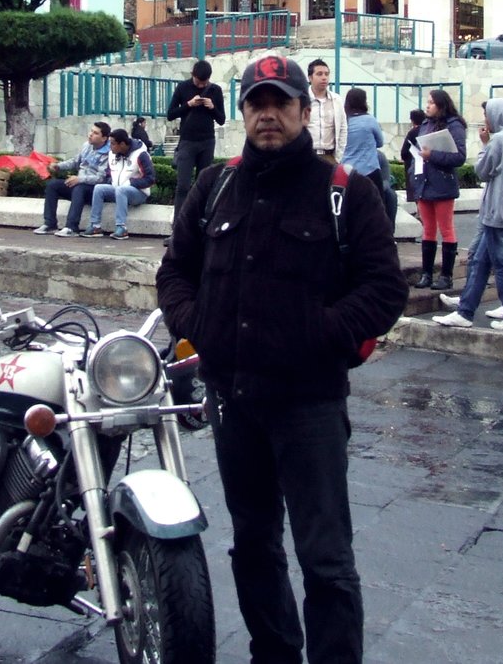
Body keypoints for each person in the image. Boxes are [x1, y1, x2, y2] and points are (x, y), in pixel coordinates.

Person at [156, 54, 408, 664]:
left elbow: (383, 289)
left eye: (281, 103)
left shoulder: (346, 193)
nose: (268, 115)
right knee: (253, 545)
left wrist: (319, 334)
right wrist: (199, 327)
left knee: (327, 559)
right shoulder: (215, 187)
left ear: (303, 109)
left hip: (309, 405)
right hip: (233, 401)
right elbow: (175, 273)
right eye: (257, 103)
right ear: (242, 112)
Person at [433, 98, 503, 332]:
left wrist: (484, 145)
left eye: (487, 115)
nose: (485, 120)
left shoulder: (498, 141)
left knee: (502, 262)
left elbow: (482, 171)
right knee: (484, 260)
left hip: (496, 211)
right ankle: (466, 311)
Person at [412, 89, 467, 290]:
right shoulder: (425, 124)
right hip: (424, 182)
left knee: (446, 228)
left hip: (442, 183)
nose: (427, 106)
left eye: (432, 103)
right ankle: (426, 274)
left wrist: (432, 155)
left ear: (441, 105)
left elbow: (459, 156)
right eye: (427, 102)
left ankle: (446, 276)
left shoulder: (454, 125)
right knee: (428, 229)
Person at [166, 60, 226, 218]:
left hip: (207, 141)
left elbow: (221, 119)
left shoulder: (215, 90)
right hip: (187, 141)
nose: (201, 85)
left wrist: (212, 107)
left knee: (203, 185)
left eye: (204, 82)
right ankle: (178, 224)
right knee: (183, 186)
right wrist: (189, 104)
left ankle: (200, 221)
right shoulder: (183, 87)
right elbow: (170, 114)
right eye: (198, 82)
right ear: (193, 75)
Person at [33, 122, 111, 237]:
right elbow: (75, 161)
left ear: (104, 138)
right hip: (79, 183)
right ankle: (50, 224)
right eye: (91, 131)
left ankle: (71, 227)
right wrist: (58, 166)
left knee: (79, 188)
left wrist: (80, 179)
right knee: (53, 185)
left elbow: (101, 178)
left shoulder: (108, 153)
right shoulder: (87, 146)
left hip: (93, 190)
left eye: (95, 133)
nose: (90, 134)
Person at [84, 127, 155, 239]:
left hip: (138, 193)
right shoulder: (112, 154)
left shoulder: (140, 154)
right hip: (118, 189)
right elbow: (109, 174)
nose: (110, 146)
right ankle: (95, 226)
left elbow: (150, 179)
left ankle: (121, 227)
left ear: (122, 144)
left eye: (112, 144)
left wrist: (130, 183)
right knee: (99, 188)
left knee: (121, 190)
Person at [339, 87, 386, 198]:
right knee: (377, 203)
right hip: (370, 170)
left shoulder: (343, 121)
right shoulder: (370, 120)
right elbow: (380, 142)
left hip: (347, 171)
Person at [305, 58, 347, 164]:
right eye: (319, 74)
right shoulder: (302, 100)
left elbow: (343, 128)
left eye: (326, 74)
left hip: (330, 156)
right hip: (307, 156)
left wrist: (338, 156)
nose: (324, 77)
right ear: (310, 77)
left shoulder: (337, 100)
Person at [399, 108, 427, 202]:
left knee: (414, 188)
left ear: (412, 120)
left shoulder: (412, 132)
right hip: (427, 163)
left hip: (413, 163)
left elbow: (404, 151)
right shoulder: (428, 130)